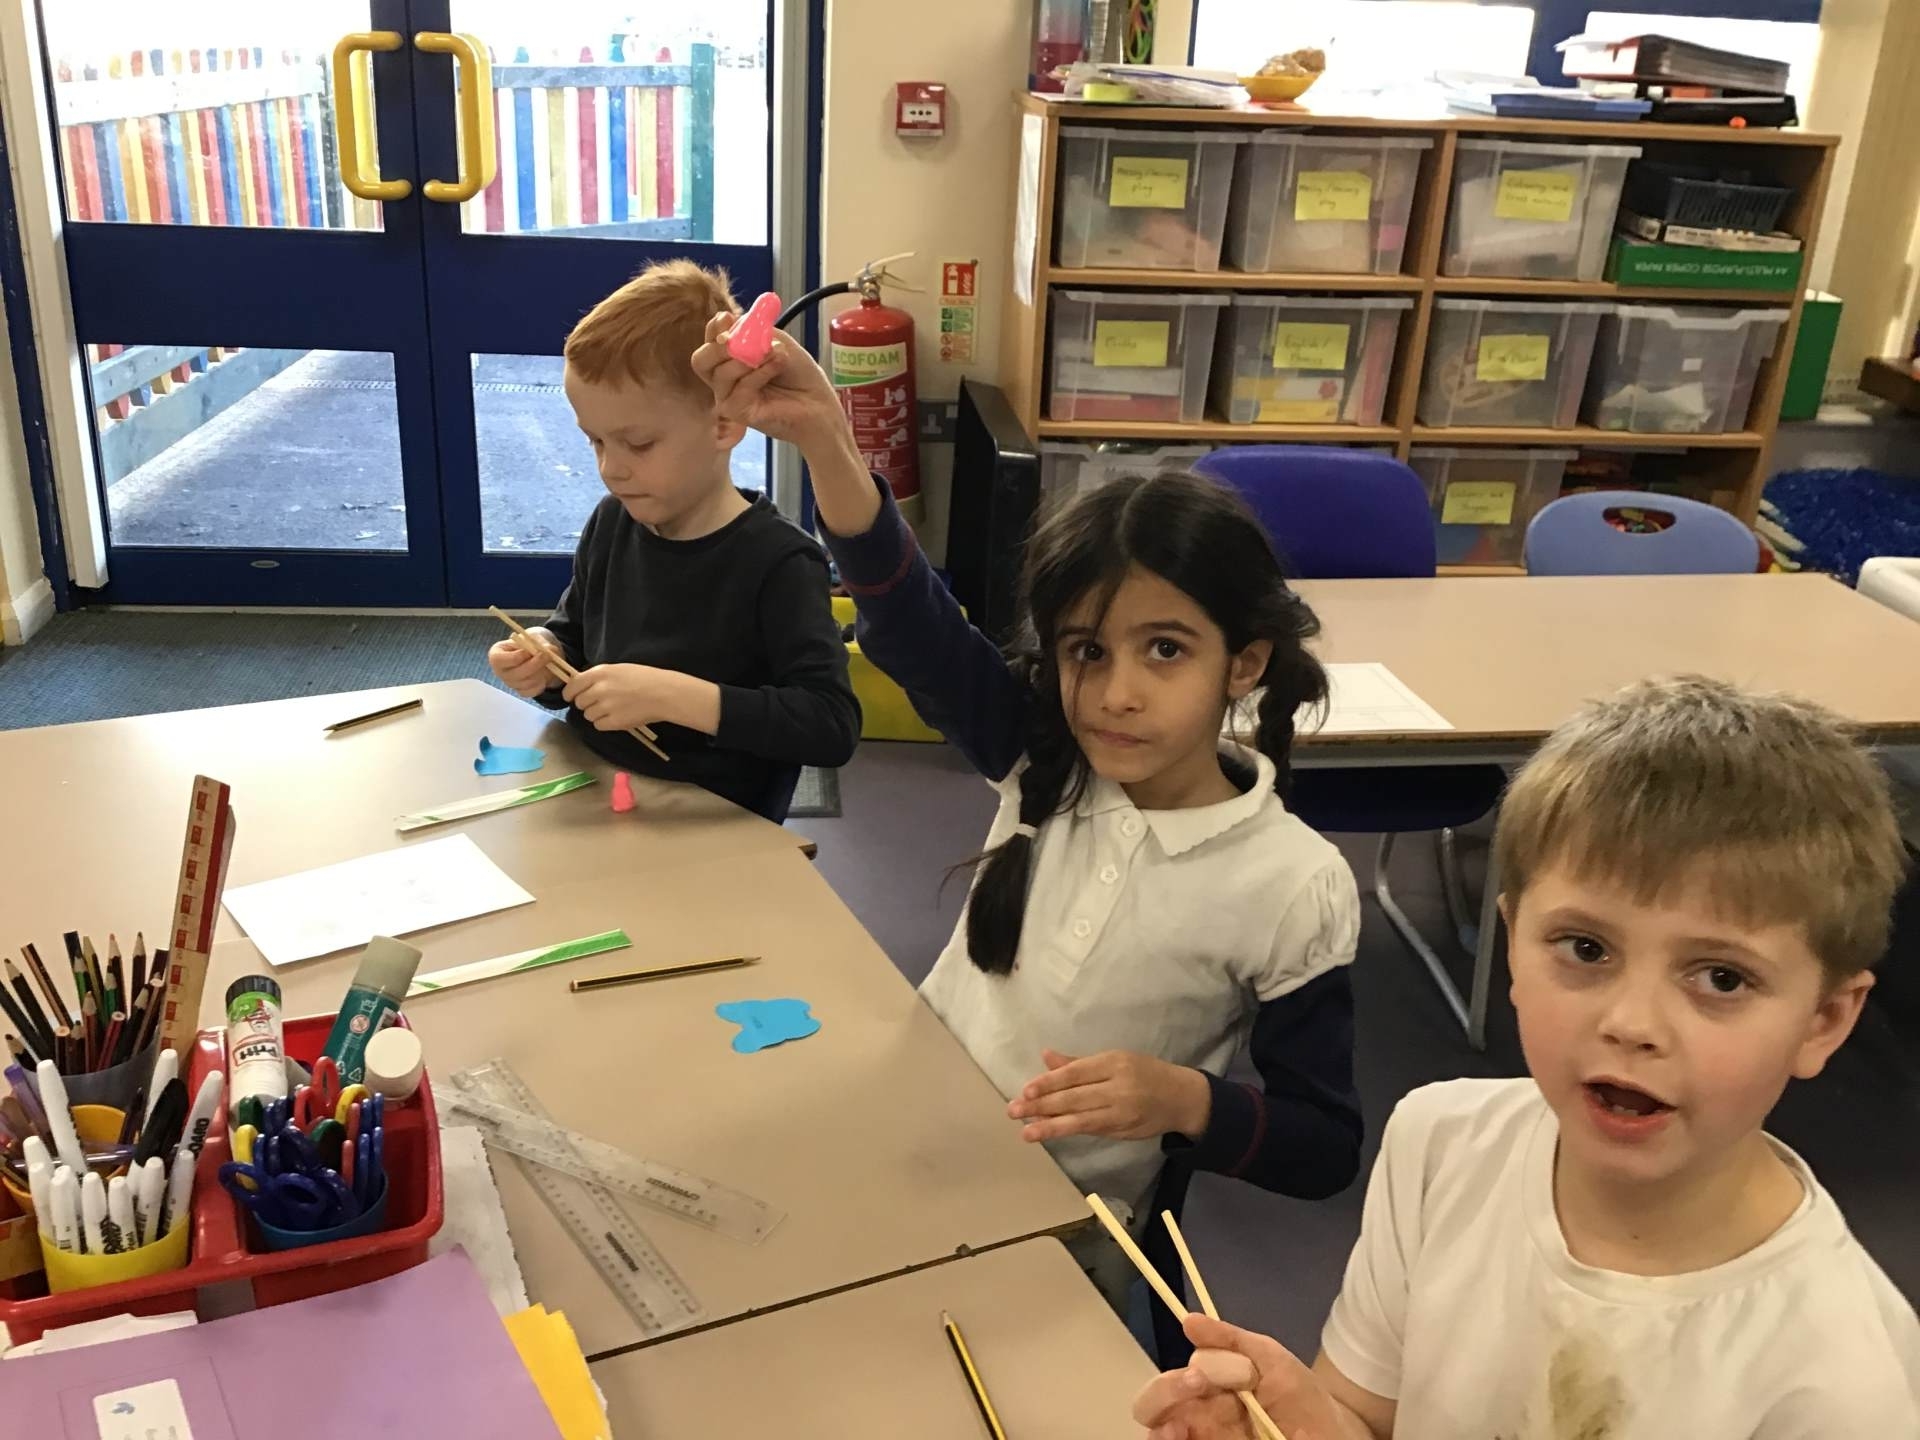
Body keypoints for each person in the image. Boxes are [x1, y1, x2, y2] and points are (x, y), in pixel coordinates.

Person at [692, 315, 1363, 1308]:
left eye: (1166, 650)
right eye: (1087, 651)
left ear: (1245, 663)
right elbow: (912, 624)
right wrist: (829, 437)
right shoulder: (1045, 756)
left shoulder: (1295, 886)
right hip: (906, 1143)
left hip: (1062, 1244)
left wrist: (1185, 1100)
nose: (1117, 694)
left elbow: (1325, 1146)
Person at [1131, 676, 1920, 1439]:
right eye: (1586, 948)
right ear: (1512, 945)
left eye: (1721, 977)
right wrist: (1302, 1422)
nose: (1631, 1024)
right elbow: (1367, 1415)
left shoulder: (1844, 1383)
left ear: (1823, 1021)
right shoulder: (1440, 1144)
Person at [486, 261, 859, 821]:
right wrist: (546, 658)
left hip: (716, 825)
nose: (611, 469)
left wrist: (678, 699)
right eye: (595, 442)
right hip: (598, 792)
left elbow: (830, 725)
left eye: (638, 444)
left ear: (723, 426)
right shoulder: (612, 522)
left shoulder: (780, 559)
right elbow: (576, 644)